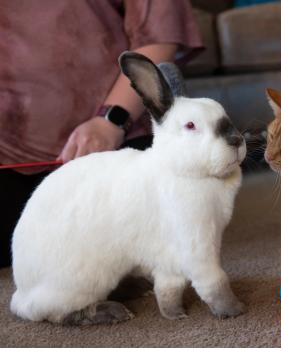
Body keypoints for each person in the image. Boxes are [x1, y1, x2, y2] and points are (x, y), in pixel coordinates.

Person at [0, 0, 203, 268]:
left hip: (117, 133)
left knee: (139, 250)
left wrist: (110, 121)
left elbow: (159, 35)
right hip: (10, 154)